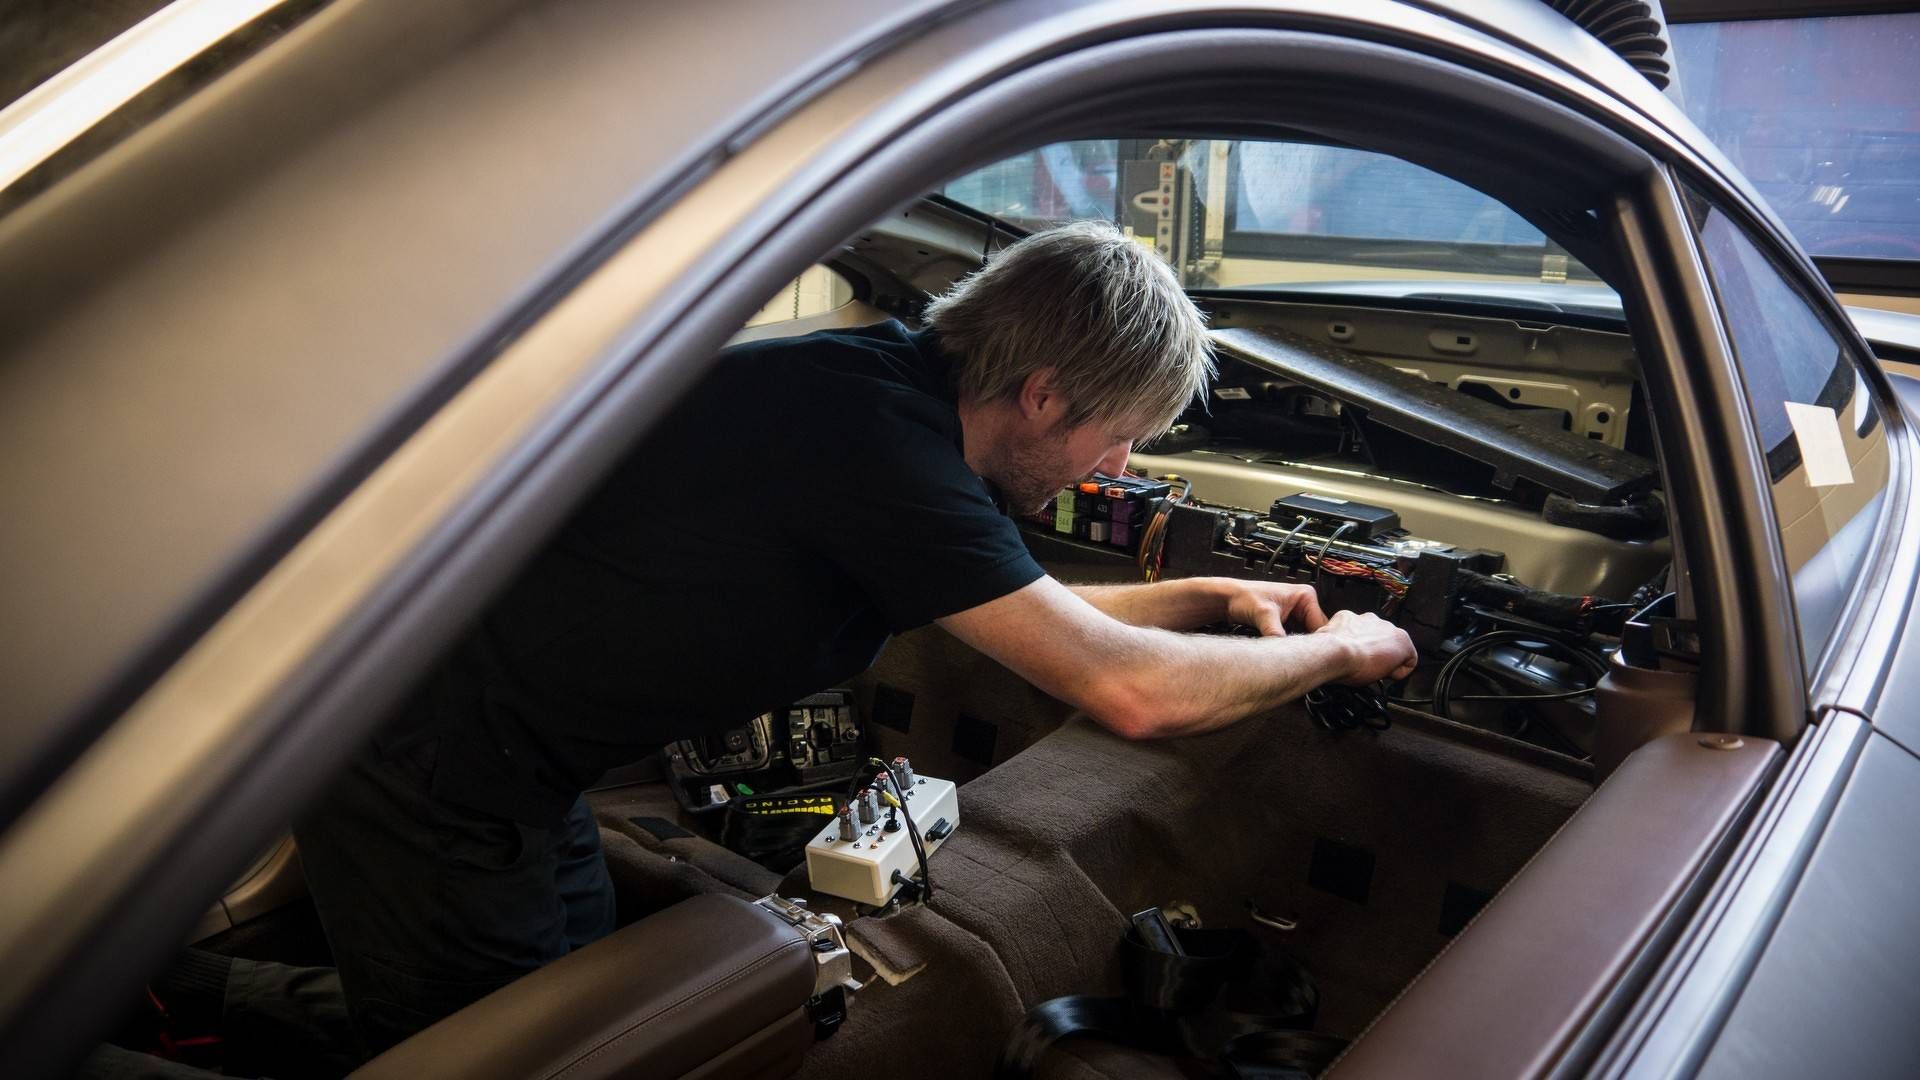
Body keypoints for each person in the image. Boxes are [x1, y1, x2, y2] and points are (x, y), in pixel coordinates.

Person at [293, 220, 1418, 1058]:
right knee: (502, 1056)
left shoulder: (887, 403)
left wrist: (1211, 596)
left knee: (594, 1008)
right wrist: (1341, 650)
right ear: (1041, 395)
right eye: (1117, 436)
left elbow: (1020, 611)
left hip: (525, 773)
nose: (1116, 470)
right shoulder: (871, 442)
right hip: (428, 774)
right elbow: (1127, 692)